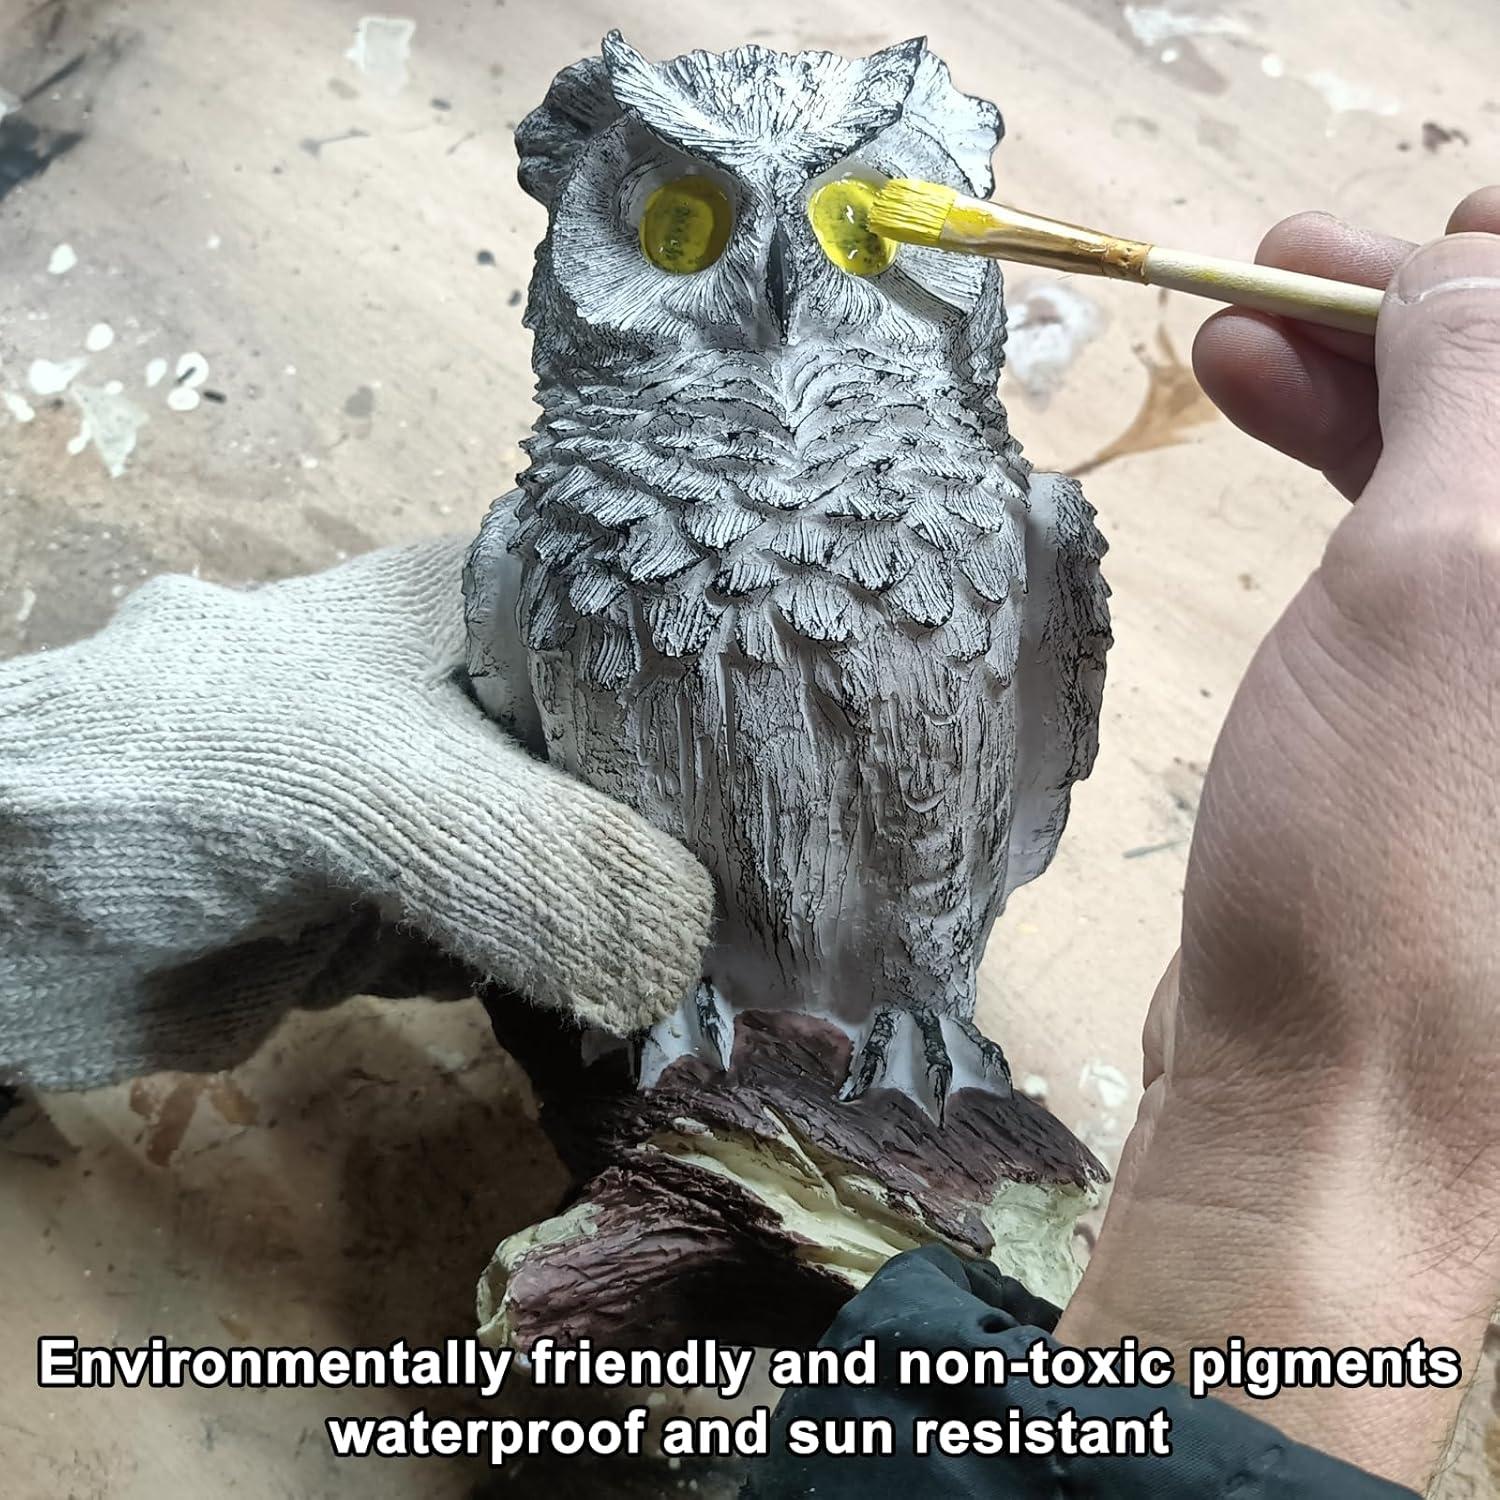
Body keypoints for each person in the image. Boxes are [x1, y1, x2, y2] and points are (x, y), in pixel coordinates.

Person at [3, 190, 1498, 1496]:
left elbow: (1010, 793)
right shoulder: (544, 538)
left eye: (860, 223)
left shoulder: (1024, 530)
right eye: (681, 223)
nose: (781, 277)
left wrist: (1287, 1108)